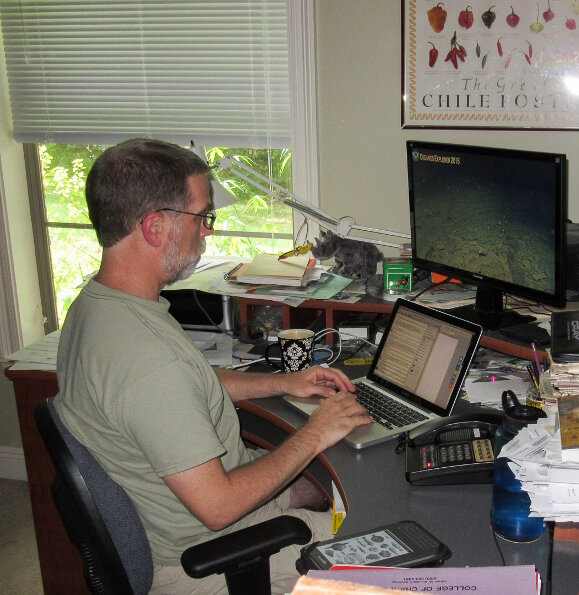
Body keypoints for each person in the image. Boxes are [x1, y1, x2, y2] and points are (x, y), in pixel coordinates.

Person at [53, 138, 373, 594]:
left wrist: (286, 382)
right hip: (205, 555)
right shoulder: (147, 361)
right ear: (155, 227)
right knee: (390, 539)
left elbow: (189, 382)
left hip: (179, 509)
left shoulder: (98, 306)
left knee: (325, 484)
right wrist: (316, 432)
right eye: (202, 216)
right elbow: (220, 506)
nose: (208, 231)